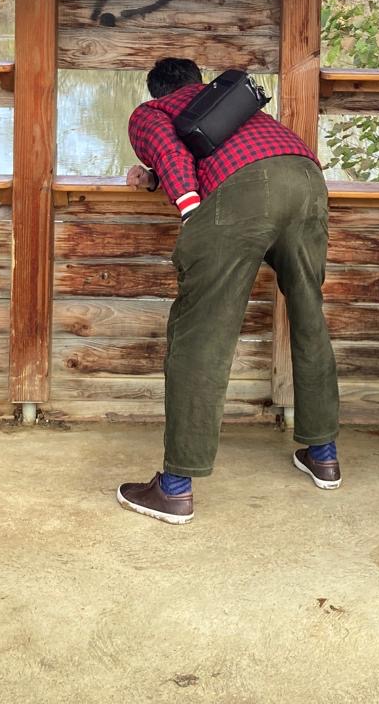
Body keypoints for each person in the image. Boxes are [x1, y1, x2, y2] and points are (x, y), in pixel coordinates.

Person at [116, 58, 341, 524]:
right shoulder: (234, 105)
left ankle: (175, 488)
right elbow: (212, 150)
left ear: (156, 91)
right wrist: (154, 177)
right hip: (305, 180)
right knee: (308, 314)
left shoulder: (152, 112)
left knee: (202, 333)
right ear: (197, 82)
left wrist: (190, 213)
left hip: (242, 195)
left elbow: (173, 152)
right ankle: (323, 453)